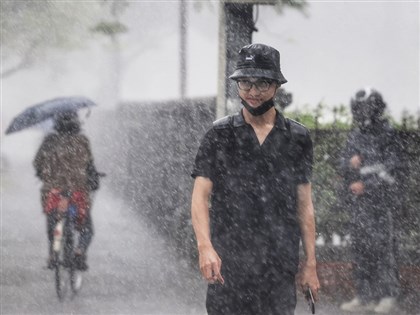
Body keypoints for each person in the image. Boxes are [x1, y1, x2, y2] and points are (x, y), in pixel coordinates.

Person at [190, 43, 320, 315]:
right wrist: (205, 248)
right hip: (229, 264)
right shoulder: (220, 135)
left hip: (278, 266)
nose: (253, 92)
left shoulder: (296, 138)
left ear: (276, 86)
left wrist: (310, 264)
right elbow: (200, 196)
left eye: (262, 83)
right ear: (237, 85)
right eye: (245, 84)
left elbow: (304, 205)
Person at [339, 88, 401, 314]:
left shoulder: (387, 134)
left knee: (383, 250)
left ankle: (387, 296)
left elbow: (393, 171)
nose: (361, 113)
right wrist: (349, 163)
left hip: (381, 204)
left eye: (365, 109)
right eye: (358, 109)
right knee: (361, 250)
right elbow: (342, 164)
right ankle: (365, 296)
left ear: (376, 109)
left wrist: (368, 185)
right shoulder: (356, 135)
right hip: (359, 206)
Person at [34, 111, 98, 271]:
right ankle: (79, 252)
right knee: (86, 229)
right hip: (77, 192)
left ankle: (53, 254)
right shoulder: (83, 141)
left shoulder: (49, 141)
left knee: (54, 224)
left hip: (53, 193)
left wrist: (43, 174)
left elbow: (37, 163)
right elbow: (89, 166)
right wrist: (93, 180)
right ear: (77, 123)